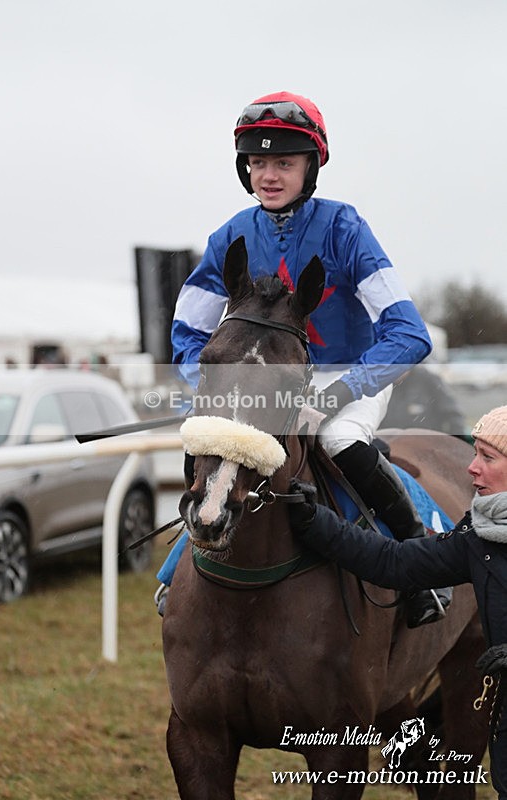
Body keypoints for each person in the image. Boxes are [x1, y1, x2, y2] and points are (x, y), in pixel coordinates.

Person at [158, 91, 440, 626]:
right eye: (257, 162)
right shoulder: (229, 236)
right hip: (260, 381)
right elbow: (187, 332)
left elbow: (410, 333)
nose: (268, 175)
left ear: (310, 168)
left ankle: (417, 566)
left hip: (347, 375)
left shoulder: (345, 228)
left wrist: (341, 393)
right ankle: (179, 567)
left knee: (337, 439)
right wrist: (213, 388)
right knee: (208, 438)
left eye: (284, 163)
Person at [287, 405, 507, 800]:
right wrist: (316, 522)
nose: (471, 468)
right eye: (474, 454)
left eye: (487, 458)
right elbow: (396, 562)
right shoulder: (479, 534)